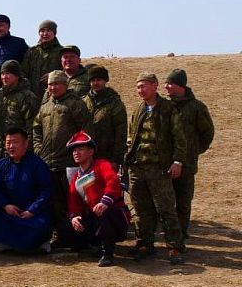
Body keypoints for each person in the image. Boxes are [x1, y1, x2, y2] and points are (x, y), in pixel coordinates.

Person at [125, 73, 186, 264]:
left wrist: (177, 161)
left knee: (166, 209)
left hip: (159, 168)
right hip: (137, 168)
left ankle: (174, 247)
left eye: (144, 86)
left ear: (155, 86)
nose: (140, 90)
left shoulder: (168, 109)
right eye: (138, 87)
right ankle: (144, 244)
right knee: (141, 209)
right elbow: (131, 137)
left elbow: (179, 138)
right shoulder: (138, 109)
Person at [32, 70, 92, 248]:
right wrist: (38, 148)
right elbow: (36, 128)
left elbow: (86, 131)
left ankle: (80, 239)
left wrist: (77, 152)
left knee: (74, 201)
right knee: (55, 203)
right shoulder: (45, 106)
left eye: (57, 84)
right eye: (50, 84)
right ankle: (61, 236)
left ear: (65, 85)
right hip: (48, 163)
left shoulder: (75, 104)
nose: (53, 87)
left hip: (69, 164)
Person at [164, 69, 214, 249]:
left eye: (170, 83)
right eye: (166, 83)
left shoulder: (197, 107)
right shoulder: (164, 105)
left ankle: (181, 235)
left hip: (187, 164)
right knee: (164, 201)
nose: (166, 86)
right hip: (164, 163)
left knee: (183, 202)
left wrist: (194, 151)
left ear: (181, 86)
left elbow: (207, 132)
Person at [66, 131, 131, 267]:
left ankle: (108, 253)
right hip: (95, 216)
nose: (76, 153)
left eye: (80, 149)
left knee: (105, 212)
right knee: (75, 226)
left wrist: (105, 201)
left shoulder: (102, 165)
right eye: (74, 150)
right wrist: (74, 217)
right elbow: (74, 202)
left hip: (115, 213)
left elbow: (113, 182)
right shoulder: (76, 178)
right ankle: (97, 245)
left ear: (91, 152)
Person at [0, 128, 54, 252]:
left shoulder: (37, 164)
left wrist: (32, 210)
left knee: (41, 223)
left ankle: (38, 243)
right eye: (8, 143)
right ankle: (7, 242)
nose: (11, 146)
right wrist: (5, 205)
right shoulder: (1, 164)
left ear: (26, 144)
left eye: (15, 142)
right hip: (10, 211)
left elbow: (46, 190)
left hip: (32, 213)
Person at [83, 65, 127, 169]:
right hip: (86, 157)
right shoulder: (83, 102)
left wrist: (116, 160)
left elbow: (121, 133)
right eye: (93, 80)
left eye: (99, 80)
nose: (95, 83)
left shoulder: (115, 103)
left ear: (105, 81)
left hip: (107, 157)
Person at [0, 60, 40, 159]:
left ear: (17, 75)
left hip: (20, 151)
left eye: (8, 73)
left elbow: (32, 127)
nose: (4, 77)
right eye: (2, 74)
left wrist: (28, 150)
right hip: (1, 150)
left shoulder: (27, 97)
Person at [21, 20, 63, 99]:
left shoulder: (61, 52)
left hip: (53, 96)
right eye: (42, 31)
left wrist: (53, 76)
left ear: (54, 33)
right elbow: (23, 73)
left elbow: (67, 72)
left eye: (49, 31)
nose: (45, 34)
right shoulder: (32, 51)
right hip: (32, 96)